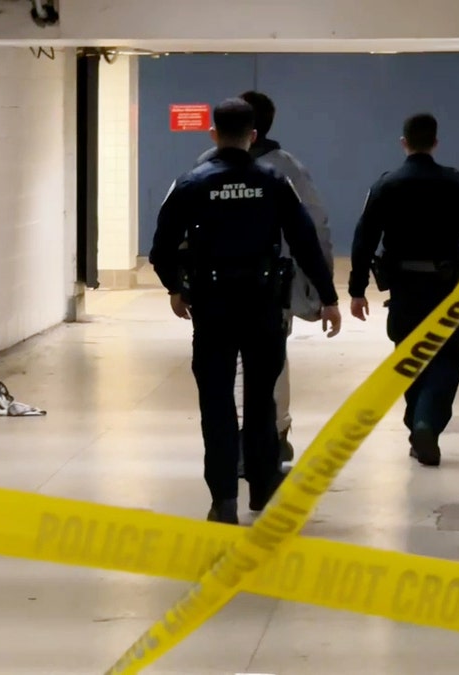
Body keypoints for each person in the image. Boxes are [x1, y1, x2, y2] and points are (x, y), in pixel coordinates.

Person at [151, 98, 342, 524]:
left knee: (216, 404)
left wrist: (177, 289)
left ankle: (223, 500)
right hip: (262, 306)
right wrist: (328, 298)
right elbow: (306, 240)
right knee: (260, 401)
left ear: (213, 134)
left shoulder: (193, 182)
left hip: (213, 307)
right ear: (253, 135)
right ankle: (260, 487)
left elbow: (161, 247)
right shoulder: (274, 181)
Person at [193, 90, 334, 468]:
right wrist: (324, 290)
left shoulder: (203, 168)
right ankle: (273, 434)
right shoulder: (285, 170)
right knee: (270, 362)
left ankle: (234, 453)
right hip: (271, 288)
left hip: (216, 288)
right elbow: (314, 228)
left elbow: (176, 230)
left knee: (222, 371)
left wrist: (179, 285)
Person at [348, 113, 459, 467]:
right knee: (447, 357)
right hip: (448, 288)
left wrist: (357, 289)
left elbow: (364, 239)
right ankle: (426, 424)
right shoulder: (456, 184)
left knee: (409, 354)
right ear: (435, 143)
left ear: (404, 143)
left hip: (405, 289)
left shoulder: (386, 185)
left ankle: (417, 424)